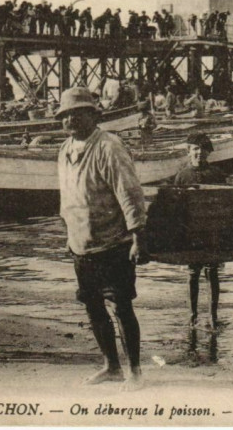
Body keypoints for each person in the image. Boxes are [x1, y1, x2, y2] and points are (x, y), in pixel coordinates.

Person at [56, 87, 148, 389]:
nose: (71, 119)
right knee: (93, 307)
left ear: (94, 115)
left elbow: (130, 193)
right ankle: (111, 366)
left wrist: (138, 237)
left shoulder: (109, 146)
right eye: (66, 114)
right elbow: (68, 196)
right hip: (81, 244)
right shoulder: (65, 149)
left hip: (112, 242)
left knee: (121, 306)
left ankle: (135, 370)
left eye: (78, 112)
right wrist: (68, 235)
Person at [173, 133, 227, 329]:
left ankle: (212, 315)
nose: (199, 152)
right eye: (195, 149)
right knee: (193, 273)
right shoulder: (182, 176)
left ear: (209, 152)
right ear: (188, 152)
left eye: (203, 149)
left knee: (211, 271)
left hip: (211, 231)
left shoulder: (217, 175)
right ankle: (193, 315)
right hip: (192, 233)